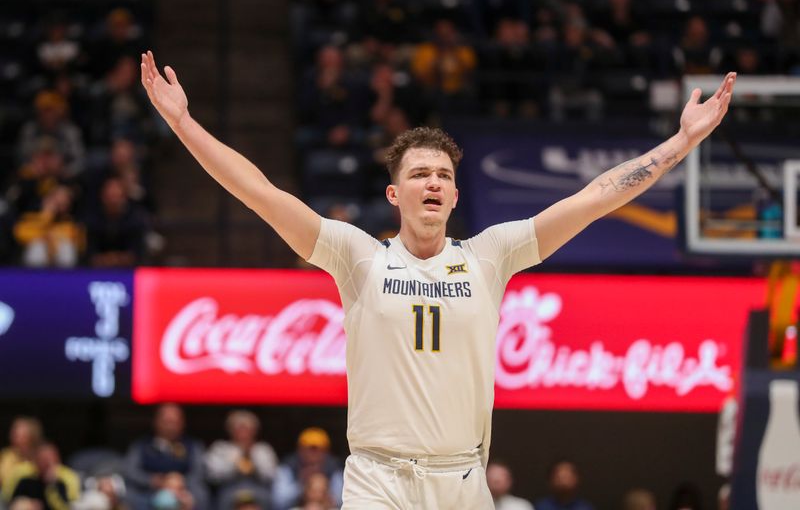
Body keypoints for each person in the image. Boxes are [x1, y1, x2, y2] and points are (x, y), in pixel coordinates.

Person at [140, 49, 736, 509]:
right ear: (394, 193)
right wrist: (185, 123)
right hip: (379, 479)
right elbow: (260, 194)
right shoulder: (357, 256)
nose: (432, 182)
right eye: (419, 172)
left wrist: (681, 142)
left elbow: (594, 198)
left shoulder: (491, 255)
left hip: (461, 480)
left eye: (443, 175)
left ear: (454, 194)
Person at [123, 404, 207, 510]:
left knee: (201, 493)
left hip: (183, 489)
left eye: (174, 422)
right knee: (130, 493)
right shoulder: (141, 445)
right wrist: (151, 480)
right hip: (149, 491)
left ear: (182, 423)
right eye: (166, 422)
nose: (170, 427)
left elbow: (198, 472)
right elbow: (131, 471)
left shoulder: (193, 445)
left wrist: (180, 482)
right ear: (156, 422)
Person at [205, 411, 277, 510]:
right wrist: (234, 462)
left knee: (269, 499)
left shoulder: (263, 449)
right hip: (230, 490)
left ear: (255, 430)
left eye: (247, 428)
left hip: (258, 490)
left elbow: (271, 476)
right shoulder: (220, 448)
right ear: (230, 430)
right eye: (239, 428)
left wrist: (254, 460)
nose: (243, 432)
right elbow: (213, 476)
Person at [272, 428, 343, 510]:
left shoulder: (334, 467)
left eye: (318, 450)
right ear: (300, 449)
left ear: (326, 451)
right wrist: (301, 482)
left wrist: (324, 495)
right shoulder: (288, 466)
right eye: (309, 449)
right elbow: (278, 502)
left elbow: (344, 500)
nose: (313, 454)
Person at [1, 443, 80, 510]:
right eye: (42, 460)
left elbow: (66, 507)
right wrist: (28, 504)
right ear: (35, 461)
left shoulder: (61, 482)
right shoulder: (26, 481)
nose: (46, 464)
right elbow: (12, 503)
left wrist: (52, 486)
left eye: (49, 460)